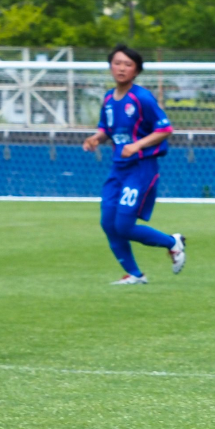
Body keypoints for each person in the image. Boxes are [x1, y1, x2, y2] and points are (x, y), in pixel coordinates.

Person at [82, 45, 185, 284]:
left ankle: (173, 242)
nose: (121, 68)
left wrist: (137, 145)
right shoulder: (109, 98)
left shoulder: (142, 97)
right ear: (110, 66)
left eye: (128, 65)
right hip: (118, 168)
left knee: (124, 226)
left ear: (136, 71)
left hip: (141, 168)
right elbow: (106, 129)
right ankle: (135, 275)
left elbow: (165, 129)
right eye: (117, 63)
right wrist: (95, 138)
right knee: (108, 223)